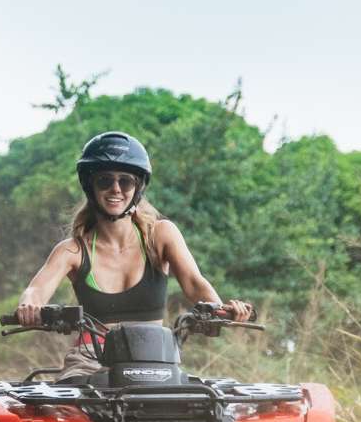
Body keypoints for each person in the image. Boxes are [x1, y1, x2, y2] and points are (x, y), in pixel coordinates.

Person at [16, 131, 253, 379]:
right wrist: (29, 305)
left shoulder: (161, 235)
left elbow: (194, 283)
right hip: (90, 361)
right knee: (73, 411)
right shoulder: (73, 250)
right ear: (90, 186)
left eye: (125, 181)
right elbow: (37, 289)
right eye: (105, 181)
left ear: (137, 187)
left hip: (155, 360)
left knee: (194, 410)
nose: (115, 189)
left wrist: (219, 310)